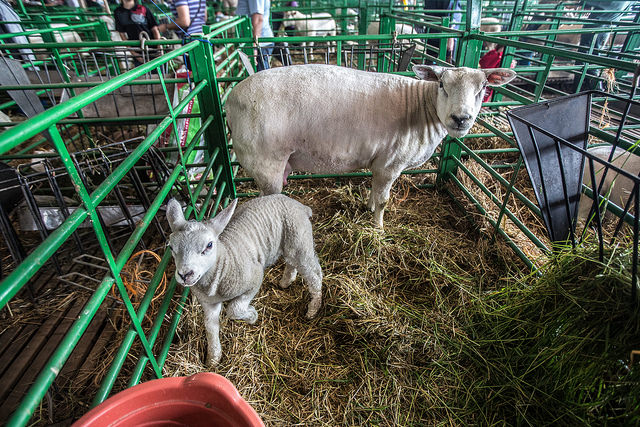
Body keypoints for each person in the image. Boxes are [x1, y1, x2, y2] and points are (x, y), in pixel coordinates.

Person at [571, 0, 633, 92]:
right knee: (594, 55)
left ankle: (585, 87)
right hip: (607, 28)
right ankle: (592, 86)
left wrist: (583, 2)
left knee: (585, 55)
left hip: (595, 27)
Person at [114, 0, 160, 66]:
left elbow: (154, 29)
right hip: (137, 51)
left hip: (152, 48)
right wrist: (134, 54)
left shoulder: (143, 8)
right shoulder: (118, 12)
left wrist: (159, 48)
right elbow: (122, 34)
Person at [236, 0, 273, 71]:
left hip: (260, 43)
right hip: (257, 41)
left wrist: (254, 47)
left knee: (261, 77)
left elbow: (259, 19)